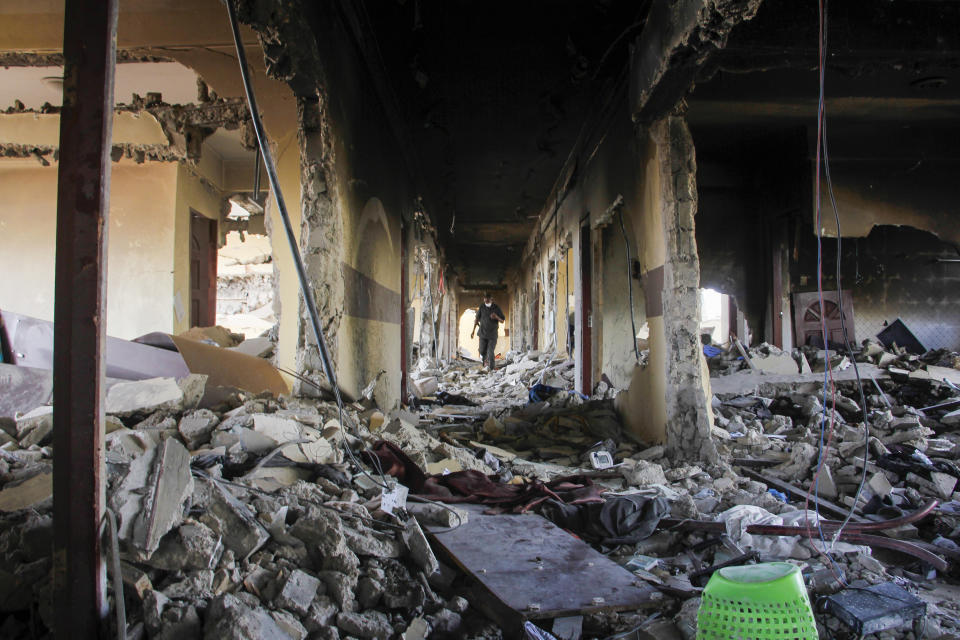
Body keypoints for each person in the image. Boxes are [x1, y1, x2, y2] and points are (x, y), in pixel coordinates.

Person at [470, 292, 505, 370]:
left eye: (488, 299)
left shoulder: (496, 308)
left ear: (491, 299)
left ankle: (491, 368)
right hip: (482, 333)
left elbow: (502, 320)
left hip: (492, 335)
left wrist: (496, 317)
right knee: (482, 350)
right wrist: (473, 331)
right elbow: (476, 319)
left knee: (490, 351)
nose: (486, 300)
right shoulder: (482, 307)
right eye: (485, 299)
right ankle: (485, 361)